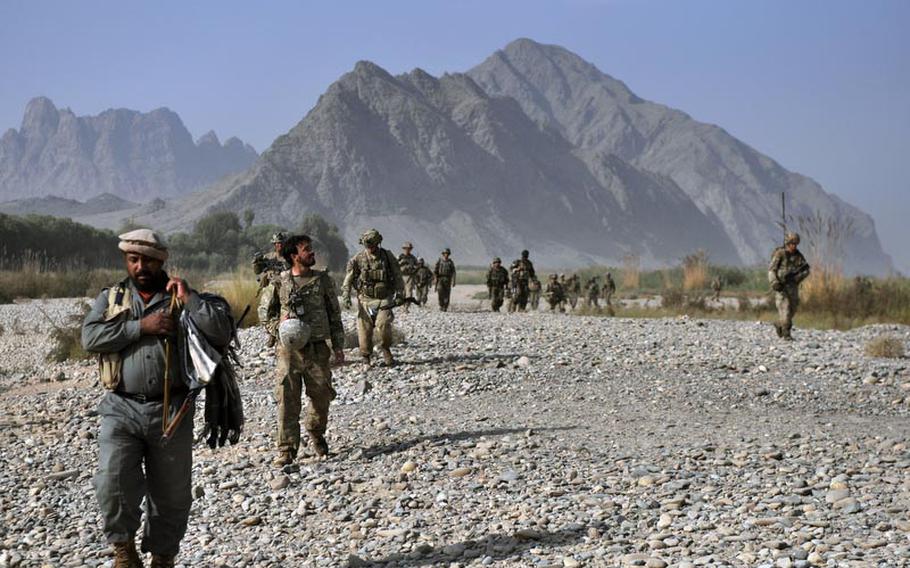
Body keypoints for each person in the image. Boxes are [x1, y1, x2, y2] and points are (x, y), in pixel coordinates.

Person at [82, 229, 233, 568]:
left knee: (172, 494)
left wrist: (191, 298)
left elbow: (221, 332)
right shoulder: (112, 298)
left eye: (148, 260)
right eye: (133, 259)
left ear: (161, 261)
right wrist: (142, 327)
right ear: (126, 261)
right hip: (121, 406)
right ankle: (124, 551)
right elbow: (90, 337)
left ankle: (163, 556)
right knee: (112, 480)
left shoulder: (180, 297)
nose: (140, 266)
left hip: (172, 410)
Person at [260, 234, 345, 466]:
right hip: (289, 352)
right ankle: (287, 449)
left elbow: (334, 314)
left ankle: (316, 432)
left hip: (318, 350)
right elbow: (264, 313)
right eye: (306, 250)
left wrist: (338, 346)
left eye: (311, 248)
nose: (312, 253)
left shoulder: (323, 281)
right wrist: (279, 327)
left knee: (322, 396)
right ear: (293, 256)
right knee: (287, 399)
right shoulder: (280, 282)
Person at [342, 229, 405, 366]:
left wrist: (400, 293)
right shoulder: (358, 259)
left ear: (378, 243)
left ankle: (386, 349)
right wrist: (346, 295)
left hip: (384, 298)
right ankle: (366, 355)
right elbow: (348, 278)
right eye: (367, 245)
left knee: (383, 324)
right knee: (364, 330)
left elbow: (398, 275)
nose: (370, 248)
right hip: (365, 299)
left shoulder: (387, 257)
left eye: (372, 244)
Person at [768, 232, 810, 340]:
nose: (794, 246)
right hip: (781, 287)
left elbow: (806, 270)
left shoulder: (798, 256)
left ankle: (779, 324)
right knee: (785, 309)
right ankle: (787, 334)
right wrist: (774, 282)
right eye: (792, 243)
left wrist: (797, 278)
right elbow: (772, 270)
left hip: (793, 287)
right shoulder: (780, 254)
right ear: (787, 243)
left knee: (792, 309)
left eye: (796, 244)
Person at [255, 232, 290, 347]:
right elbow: (257, 271)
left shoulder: (291, 258)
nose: (279, 245)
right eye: (277, 243)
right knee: (265, 313)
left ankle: (280, 336)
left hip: (286, 290)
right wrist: (257, 262)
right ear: (274, 245)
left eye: (281, 243)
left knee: (284, 314)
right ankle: (273, 333)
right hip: (271, 289)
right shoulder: (268, 257)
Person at [397, 242, 418, 313]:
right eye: (406, 248)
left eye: (409, 249)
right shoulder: (400, 257)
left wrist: (413, 269)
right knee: (402, 292)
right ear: (404, 249)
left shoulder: (413, 258)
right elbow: (395, 266)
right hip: (401, 276)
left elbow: (417, 266)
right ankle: (402, 306)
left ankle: (406, 307)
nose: (407, 250)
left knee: (409, 293)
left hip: (410, 277)